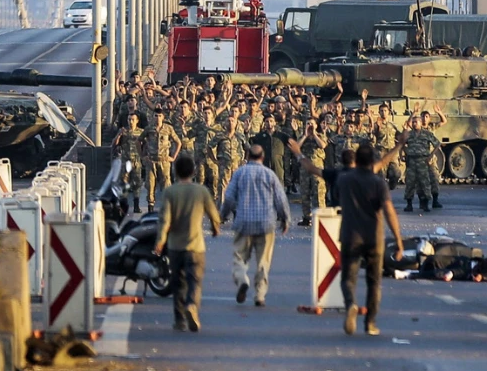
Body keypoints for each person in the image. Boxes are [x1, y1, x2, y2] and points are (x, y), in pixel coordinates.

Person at [289, 140, 406, 336]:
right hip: (374, 237)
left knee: (348, 279)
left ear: (357, 161)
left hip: (351, 235)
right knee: (374, 282)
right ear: (371, 162)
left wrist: (298, 153)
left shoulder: (343, 179)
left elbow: (313, 170)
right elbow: (389, 209)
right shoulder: (378, 182)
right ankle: (370, 323)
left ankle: (351, 303)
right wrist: (399, 241)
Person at [154, 156, 222, 332]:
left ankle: (179, 320)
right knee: (195, 281)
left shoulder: (170, 192)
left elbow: (165, 220)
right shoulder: (201, 191)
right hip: (196, 246)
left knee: (177, 284)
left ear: (175, 172)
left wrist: (160, 241)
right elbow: (214, 214)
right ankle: (192, 305)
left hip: (175, 246)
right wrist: (215, 228)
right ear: (193, 172)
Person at [220, 145, 291, 307]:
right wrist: (285, 219)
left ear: (247, 156)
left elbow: (229, 197)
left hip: (244, 222)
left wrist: (222, 216)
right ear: (263, 157)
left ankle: (242, 279)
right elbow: (280, 199)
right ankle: (259, 295)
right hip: (266, 224)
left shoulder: (240, 173)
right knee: (263, 262)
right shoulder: (270, 174)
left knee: (239, 257)